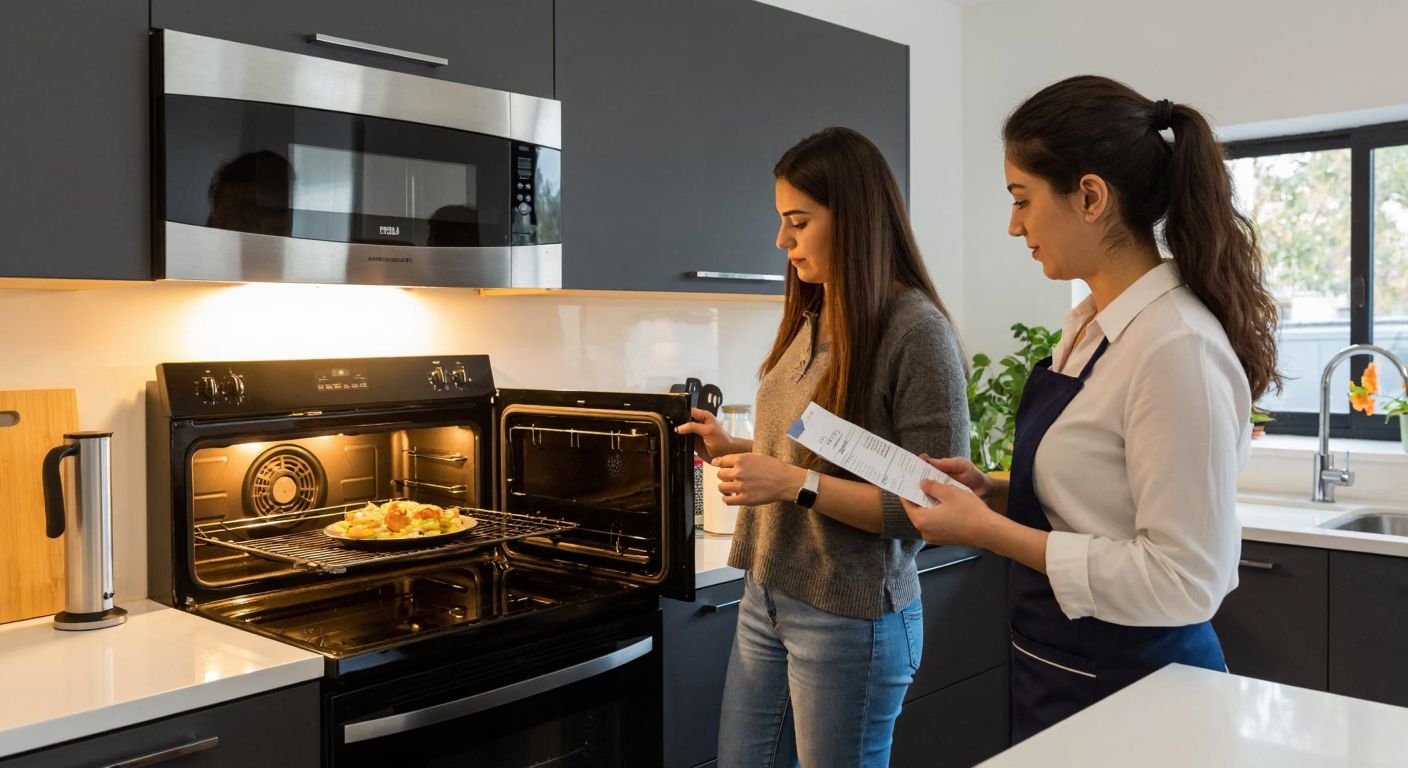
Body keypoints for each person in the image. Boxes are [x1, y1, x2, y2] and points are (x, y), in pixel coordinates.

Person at [902, 75, 1282, 742]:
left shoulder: (1176, 347)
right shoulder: (1089, 327)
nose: (1013, 224)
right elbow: (1101, 493)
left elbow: (1182, 579)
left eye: (1022, 199)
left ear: (1090, 197)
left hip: (1144, 693)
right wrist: (989, 490)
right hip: (1060, 669)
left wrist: (986, 531)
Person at [676, 127, 968, 767]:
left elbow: (931, 511)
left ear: (855, 219)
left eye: (798, 222)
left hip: (851, 617)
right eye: (782, 222)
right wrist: (737, 447)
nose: (783, 241)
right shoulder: (813, 318)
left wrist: (790, 485)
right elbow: (825, 455)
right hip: (767, 594)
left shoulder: (916, 333)